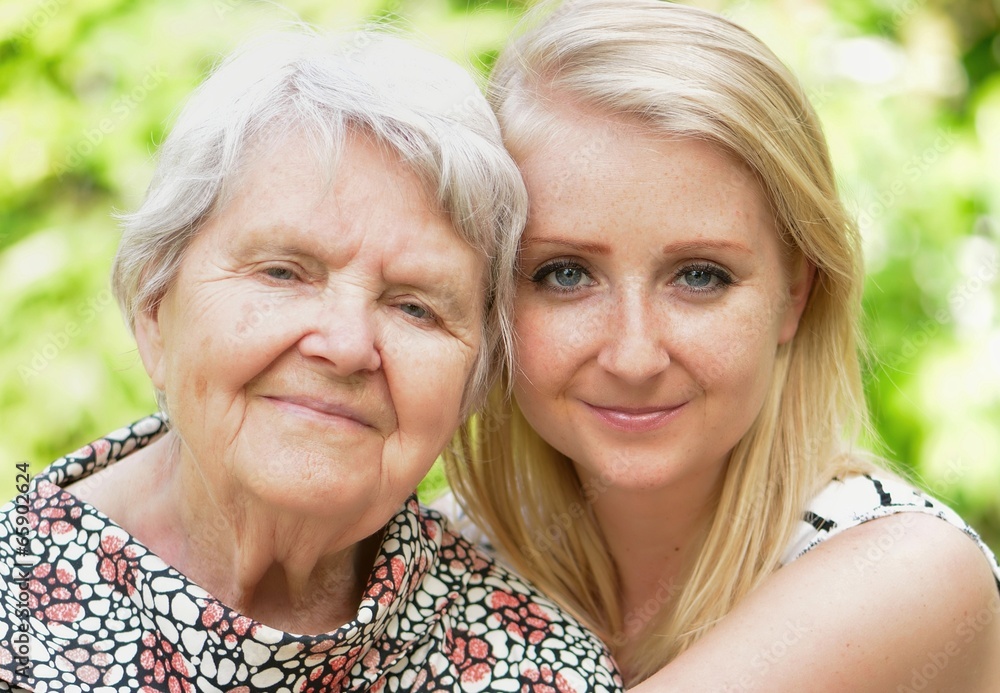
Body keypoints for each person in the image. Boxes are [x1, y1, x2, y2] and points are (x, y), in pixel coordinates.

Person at [0, 28, 624, 692]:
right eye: (284, 272)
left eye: (415, 307)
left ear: (473, 382)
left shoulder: (534, 667)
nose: (348, 344)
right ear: (156, 307)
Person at [444, 0, 1000, 689]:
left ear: (795, 293)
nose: (634, 355)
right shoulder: (446, 550)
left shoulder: (906, 565)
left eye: (700, 276)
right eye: (566, 273)